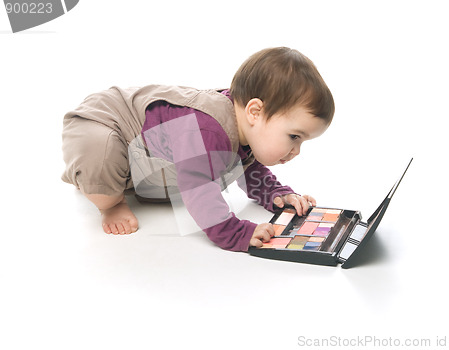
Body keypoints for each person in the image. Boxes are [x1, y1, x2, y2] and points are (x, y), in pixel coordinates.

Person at [61, 47, 334, 252]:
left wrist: (274, 193)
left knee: (154, 178)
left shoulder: (244, 129)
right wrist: (234, 232)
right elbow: (198, 189)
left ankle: (109, 180)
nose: (296, 150)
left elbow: (247, 165)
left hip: (139, 154)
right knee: (102, 163)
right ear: (255, 111)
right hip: (101, 123)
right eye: (294, 136)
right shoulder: (208, 130)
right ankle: (109, 198)